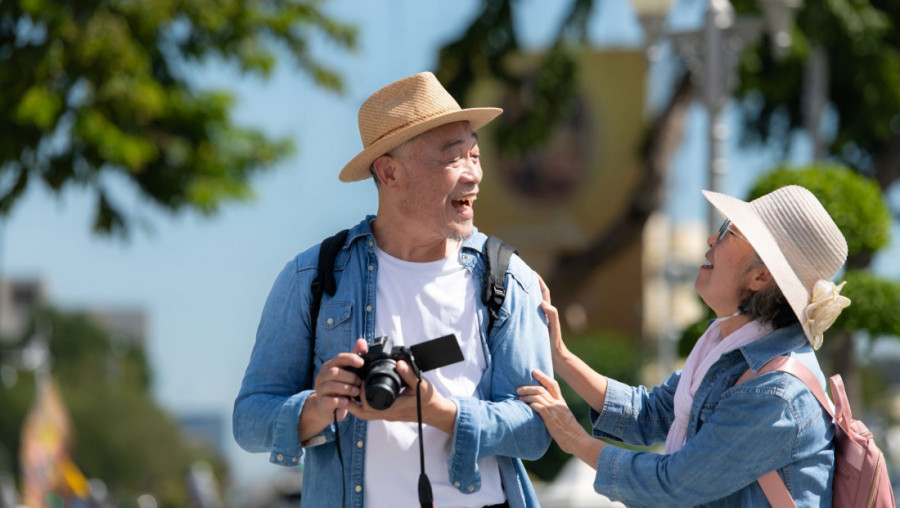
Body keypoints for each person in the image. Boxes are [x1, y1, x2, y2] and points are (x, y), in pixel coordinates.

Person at [233, 72, 552, 508]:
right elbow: (249, 419)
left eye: (474, 155)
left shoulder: (507, 278)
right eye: (452, 158)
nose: (473, 175)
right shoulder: (311, 276)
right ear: (389, 172)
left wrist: (439, 410)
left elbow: (537, 429)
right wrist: (318, 406)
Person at [518, 185, 851, 507]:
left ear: (761, 278)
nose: (712, 239)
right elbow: (650, 413)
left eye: (728, 231)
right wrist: (559, 355)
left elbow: (674, 485)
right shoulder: (725, 349)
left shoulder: (776, 391)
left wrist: (574, 440)